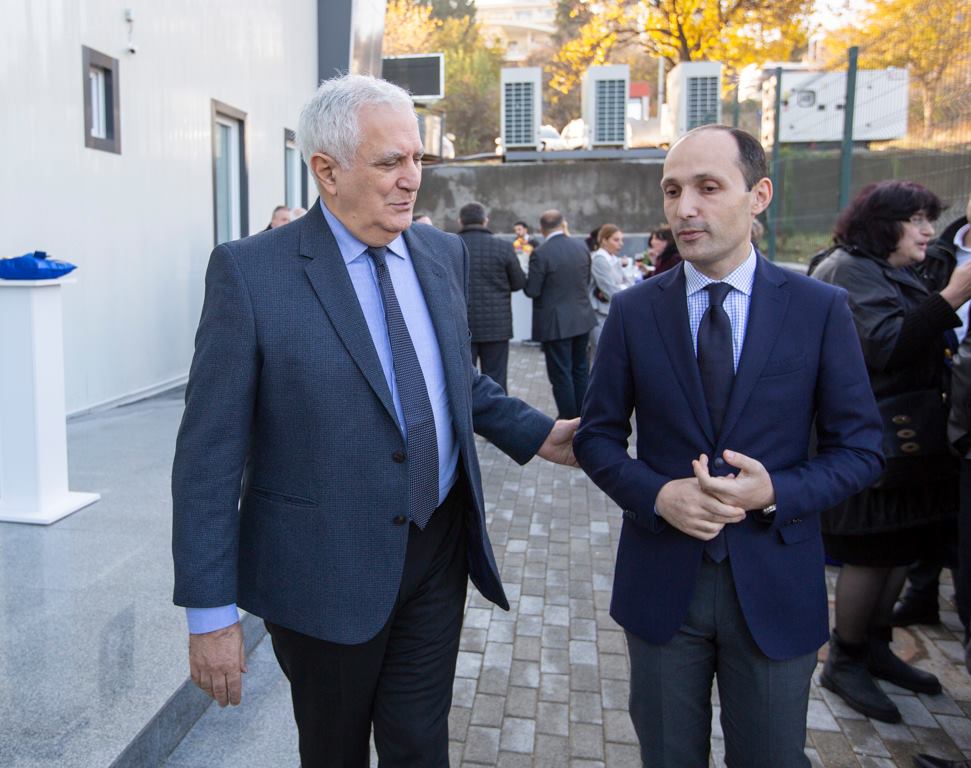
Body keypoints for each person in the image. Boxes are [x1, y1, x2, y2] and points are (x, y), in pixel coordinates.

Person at [171, 74, 580, 768]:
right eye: (390, 161)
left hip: (437, 547)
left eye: (416, 158)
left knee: (420, 745)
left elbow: (453, 378)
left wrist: (537, 433)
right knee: (333, 750)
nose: (411, 178)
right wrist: (210, 615)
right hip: (323, 567)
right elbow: (208, 456)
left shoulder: (440, 253)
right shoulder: (250, 274)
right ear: (326, 171)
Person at [574, 125, 883, 767]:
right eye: (673, 190)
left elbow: (861, 450)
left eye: (708, 187)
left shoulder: (819, 308)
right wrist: (658, 495)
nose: (685, 208)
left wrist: (777, 491)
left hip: (775, 584)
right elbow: (597, 437)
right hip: (662, 585)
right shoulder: (634, 312)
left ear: (758, 195)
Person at [811, 180, 970, 723]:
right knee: (871, 552)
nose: (929, 231)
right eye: (917, 220)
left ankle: (875, 647)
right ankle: (845, 658)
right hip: (870, 440)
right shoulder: (849, 269)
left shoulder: (891, 269)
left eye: (930, 219)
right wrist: (953, 296)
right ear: (884, 225)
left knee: (899, 546)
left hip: (907, 443)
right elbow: (886, 346)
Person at [895, 194, 971, 628]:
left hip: (961, 408)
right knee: (933, 505)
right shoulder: (938, 254)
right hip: (934, 403)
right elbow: (896, 340)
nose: (924, 229)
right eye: (915, 220)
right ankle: (922, 594)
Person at [524, 209, 597, 419]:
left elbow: (532, 290)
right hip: (582, 317)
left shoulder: (541, 253)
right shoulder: (581, 246)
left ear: (541, 229)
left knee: (561, 374)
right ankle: (584, 417)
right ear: (563, 224)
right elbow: (586, 280)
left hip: (556, 323)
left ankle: (568, 419)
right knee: (581, 370)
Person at [458, 200, 527, 392]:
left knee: (463, 383)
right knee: (496, 381)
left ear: (460, 221)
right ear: (485, 220)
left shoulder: (449, 246)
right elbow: (519, 282)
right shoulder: (503, 247)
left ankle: (468, 413)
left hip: (461, 325)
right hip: (497, 326)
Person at [589, 223, 633, 358]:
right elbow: (610, 291)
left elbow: (629, 283)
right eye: (616, 240)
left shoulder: (613, 259)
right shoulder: (599, 260)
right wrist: (621, 286)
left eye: (621, 240)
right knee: (601, 356)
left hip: (611, 312)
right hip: (600, 314)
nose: (621, 244)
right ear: (604, 240)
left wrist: (620, 286)